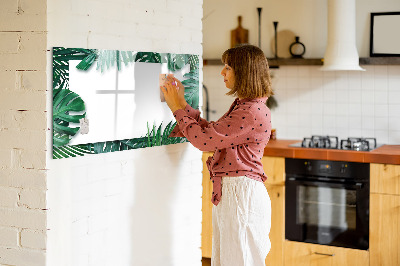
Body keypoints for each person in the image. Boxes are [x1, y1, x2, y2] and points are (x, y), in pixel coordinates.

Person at [161, 44, 273, 266]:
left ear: (244, 72)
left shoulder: (250, 111)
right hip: (236, 193)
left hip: (241, 195)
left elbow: (204, 141)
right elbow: (212, 133)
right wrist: (183, 104)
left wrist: (176, 108)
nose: (222, 72)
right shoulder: (246, 106)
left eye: (228, 67)